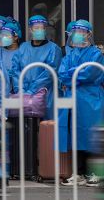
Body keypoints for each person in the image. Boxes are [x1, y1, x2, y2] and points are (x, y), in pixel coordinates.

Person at [58, 20, 104, 187]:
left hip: (91, 100)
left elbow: (90, 73)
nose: (77, 34)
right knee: (76, 137)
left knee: (91, 136)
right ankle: (78, 173)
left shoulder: (96, 54)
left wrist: (73, 75)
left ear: (88, 34)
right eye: (75, 31)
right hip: (74, 100)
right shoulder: (70, 54)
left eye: (81, 31)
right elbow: (62, 73)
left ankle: (94, 173)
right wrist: (75, 74)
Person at [9, 15, 62, 118]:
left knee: (46, 128)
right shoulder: (23, 47)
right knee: (26, 129)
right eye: (35, 28)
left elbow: (49, 72)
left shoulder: (53, 49)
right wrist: (20, 89)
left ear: (45, 29)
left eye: (41, 28)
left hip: (46, 95)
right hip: (24, 96)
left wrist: (32, 90)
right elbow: (16, 69)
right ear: (30, 29)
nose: (38, 30)